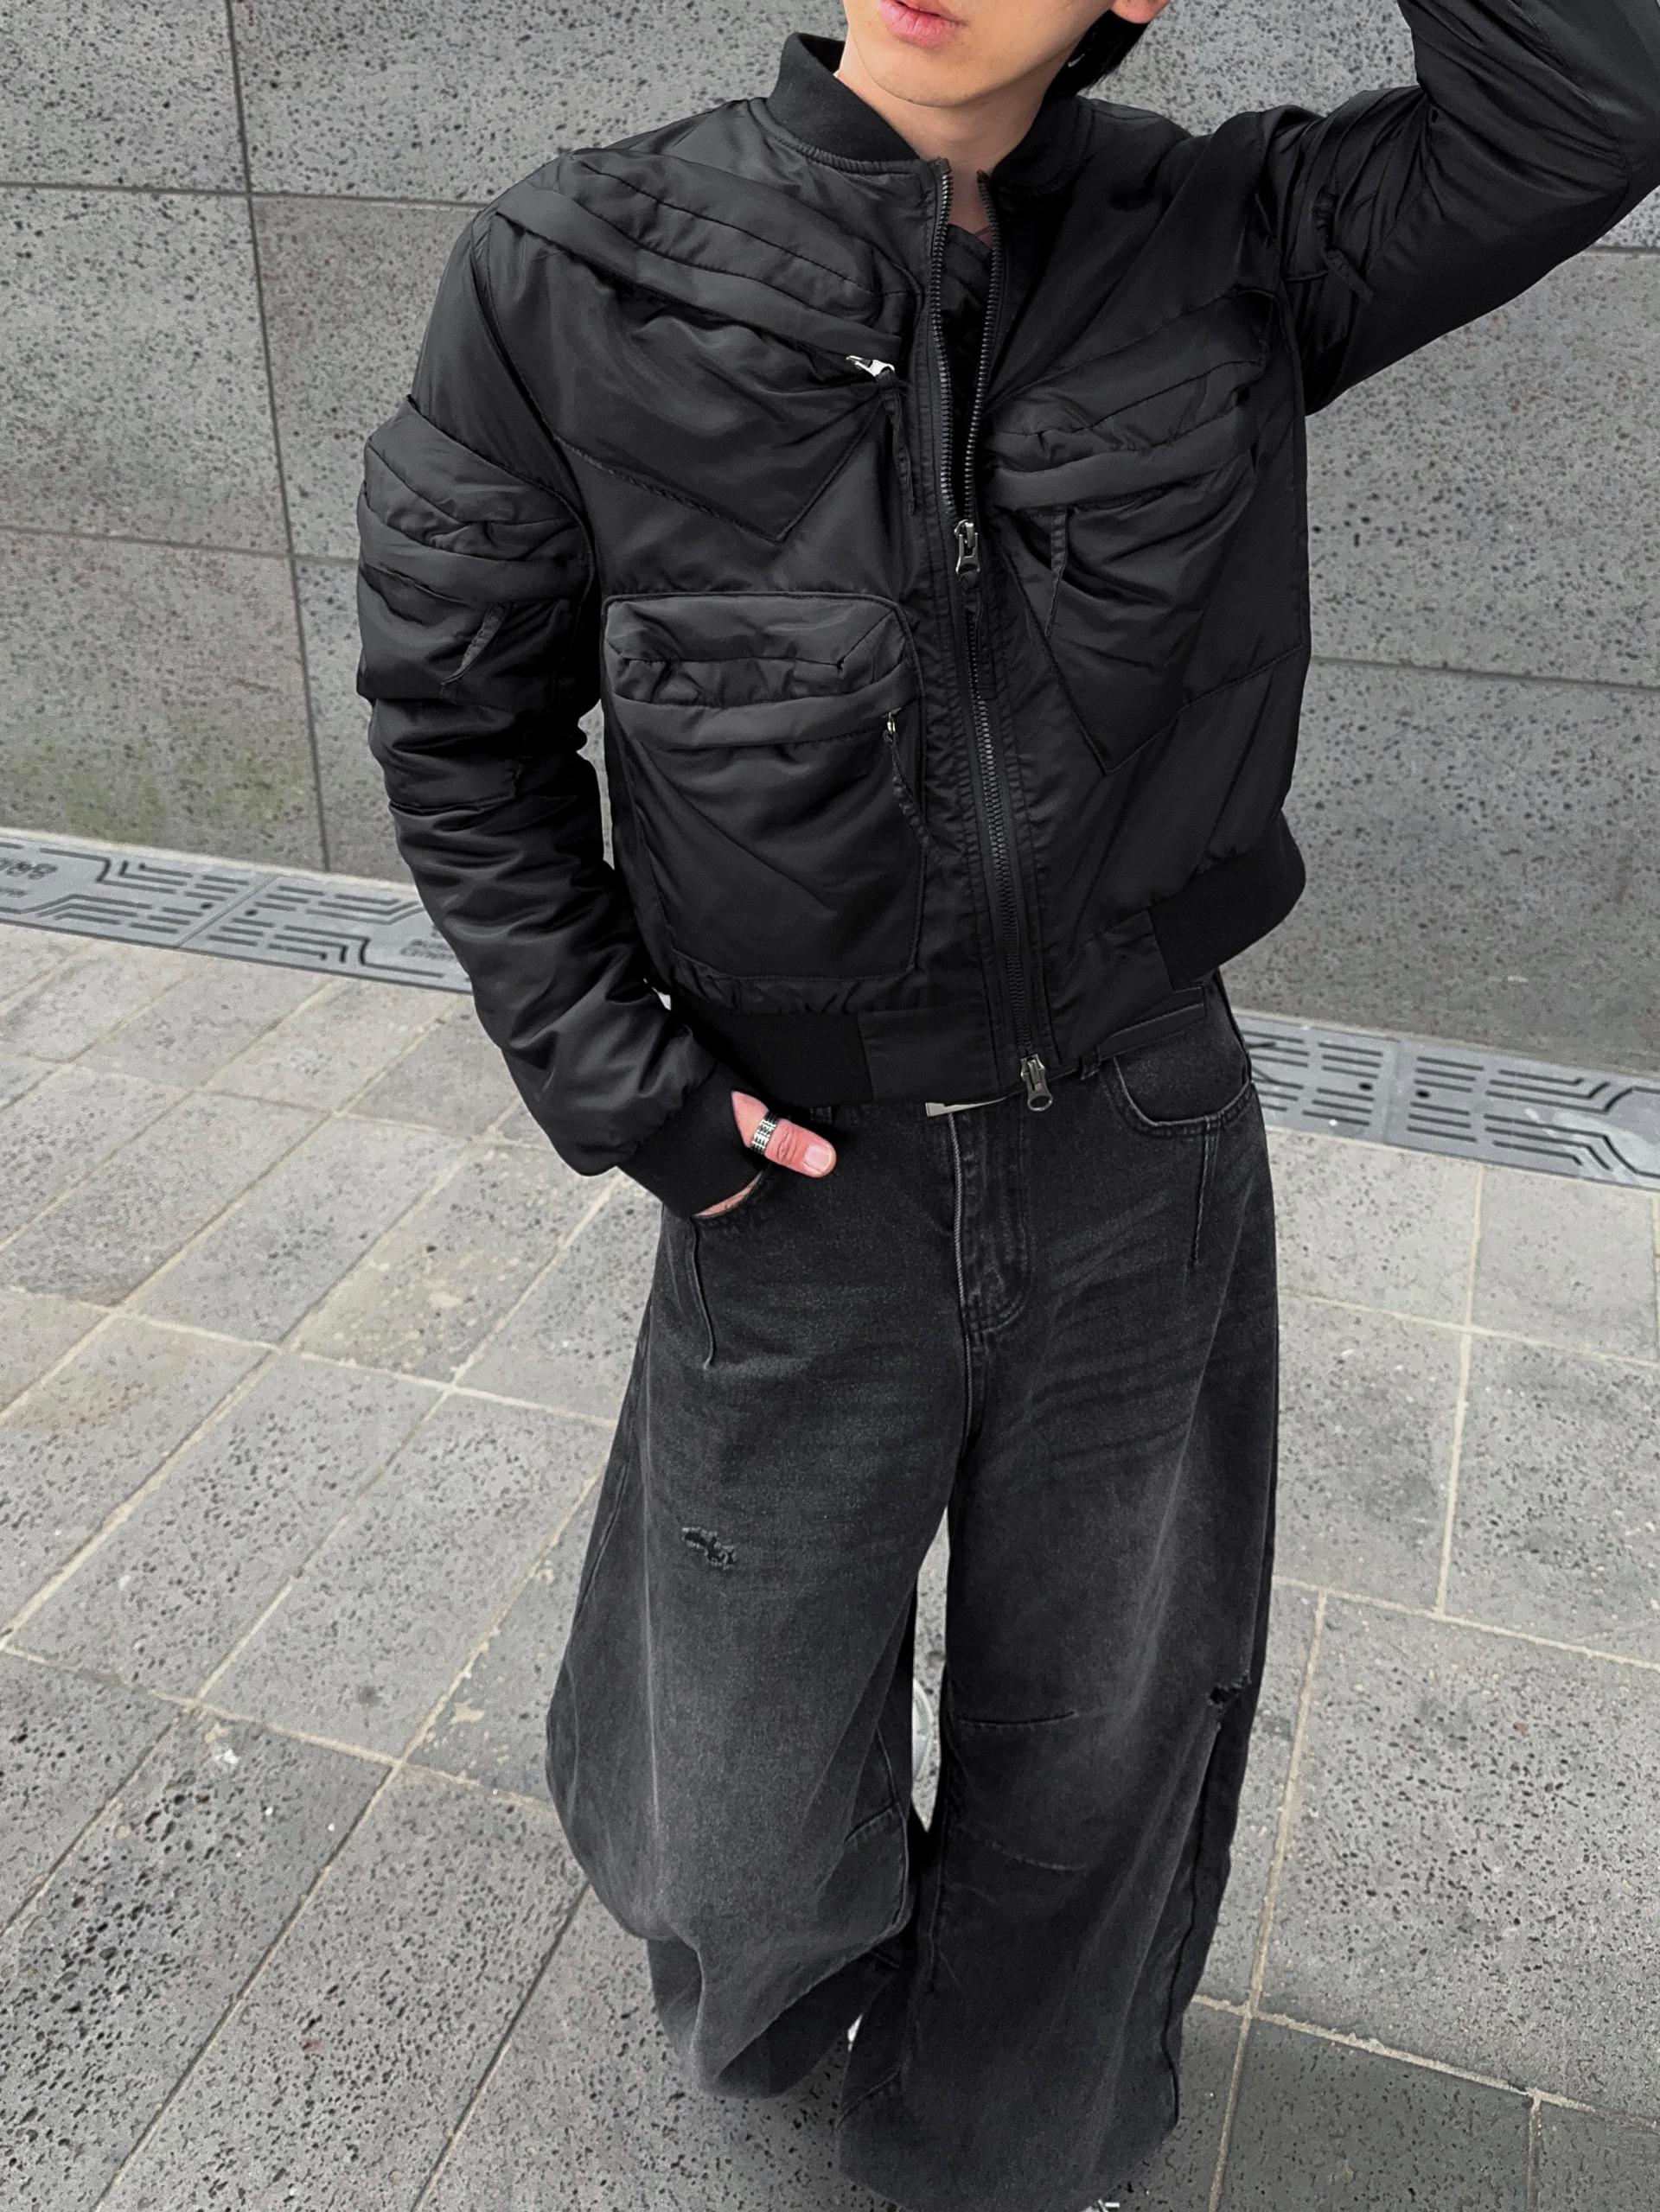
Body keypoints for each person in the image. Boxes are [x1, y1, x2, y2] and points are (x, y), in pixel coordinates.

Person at [354, 3, 1660, 2205]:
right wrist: (629, 1085)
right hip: (800, 1172)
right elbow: (452, 719)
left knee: (1105, 1725)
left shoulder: (1231, 236)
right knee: (734, 1794)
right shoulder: (572, 266)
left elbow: (1596, 100)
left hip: (1138, 1134)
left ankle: (1003, 2132)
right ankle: (794, 1966)